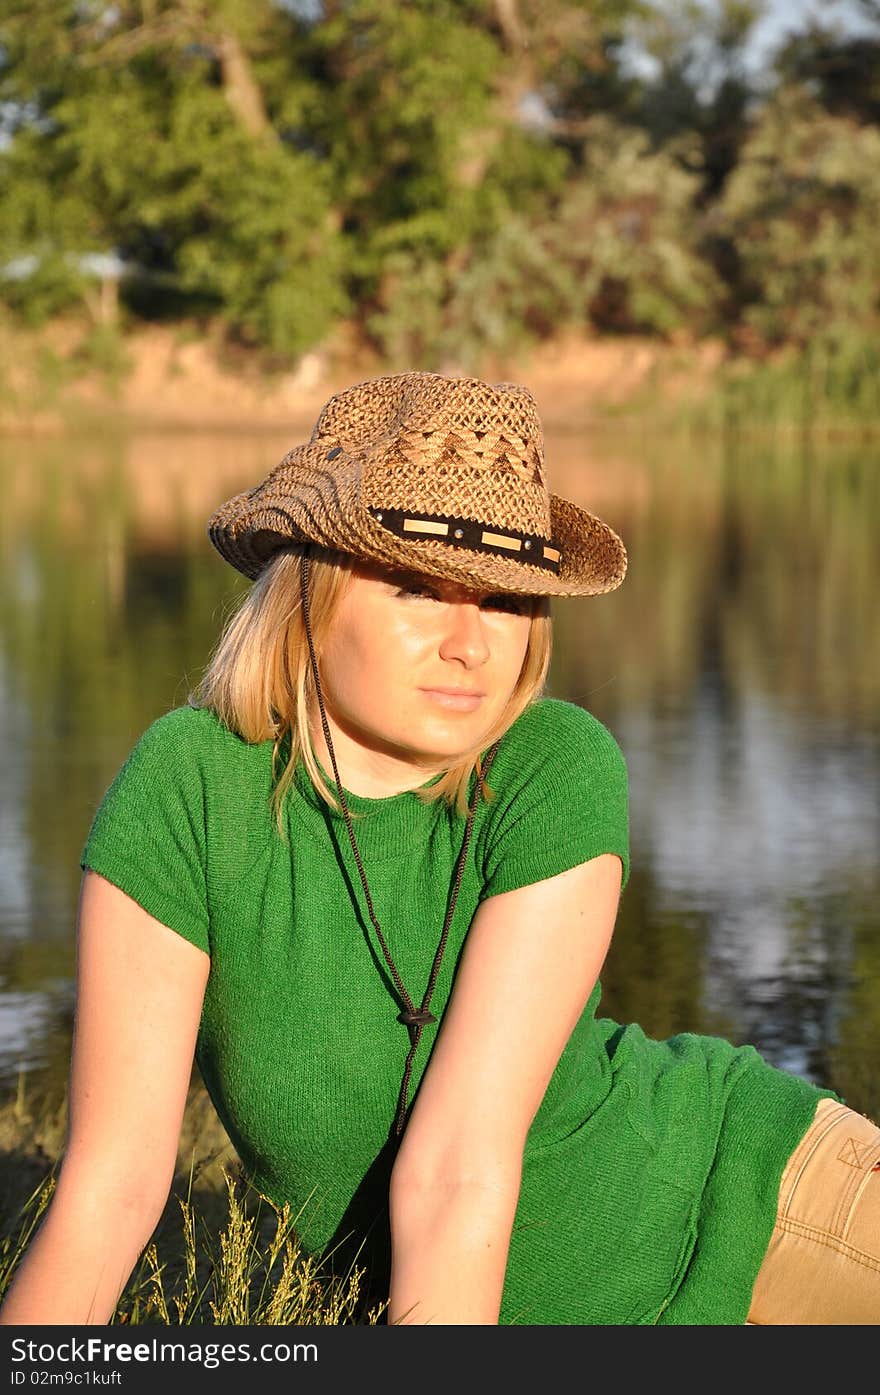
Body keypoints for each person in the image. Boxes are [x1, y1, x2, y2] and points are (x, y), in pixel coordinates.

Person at [1, 371, 878, 1328]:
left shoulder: (554, 765)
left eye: (502, 598)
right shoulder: (187, 786)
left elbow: (457, 1167)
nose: (471, 642)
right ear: (309, 592)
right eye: (417, 587)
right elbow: (112, 1188)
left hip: (763, 1211)